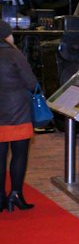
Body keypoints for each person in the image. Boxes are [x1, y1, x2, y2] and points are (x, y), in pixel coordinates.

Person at [0, 21, 38, 211]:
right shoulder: (14, 54)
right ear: (7, 35)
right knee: (19, 155)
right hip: (17, 114)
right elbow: (31, 83)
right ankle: (15, 194)